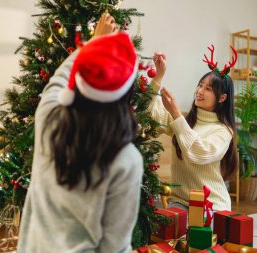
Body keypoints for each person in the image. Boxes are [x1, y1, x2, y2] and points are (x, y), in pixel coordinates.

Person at [17, 13, 143, 253]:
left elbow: (58, 80)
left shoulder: (49, 119)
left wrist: (94, 42)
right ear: (125, 94)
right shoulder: (126, 159)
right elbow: (115, 247)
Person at [148, 46, 238, 212]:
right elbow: (150, 115)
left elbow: (199, 153)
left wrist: (176, 114)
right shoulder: (185, 120)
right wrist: (158, 76)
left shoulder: (223, 131)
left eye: (208, 89)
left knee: (189, 237)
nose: (200, 91)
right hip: (180, 201)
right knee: (164, 232)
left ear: (222, 98)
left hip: (211, 206)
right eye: (200, 85)